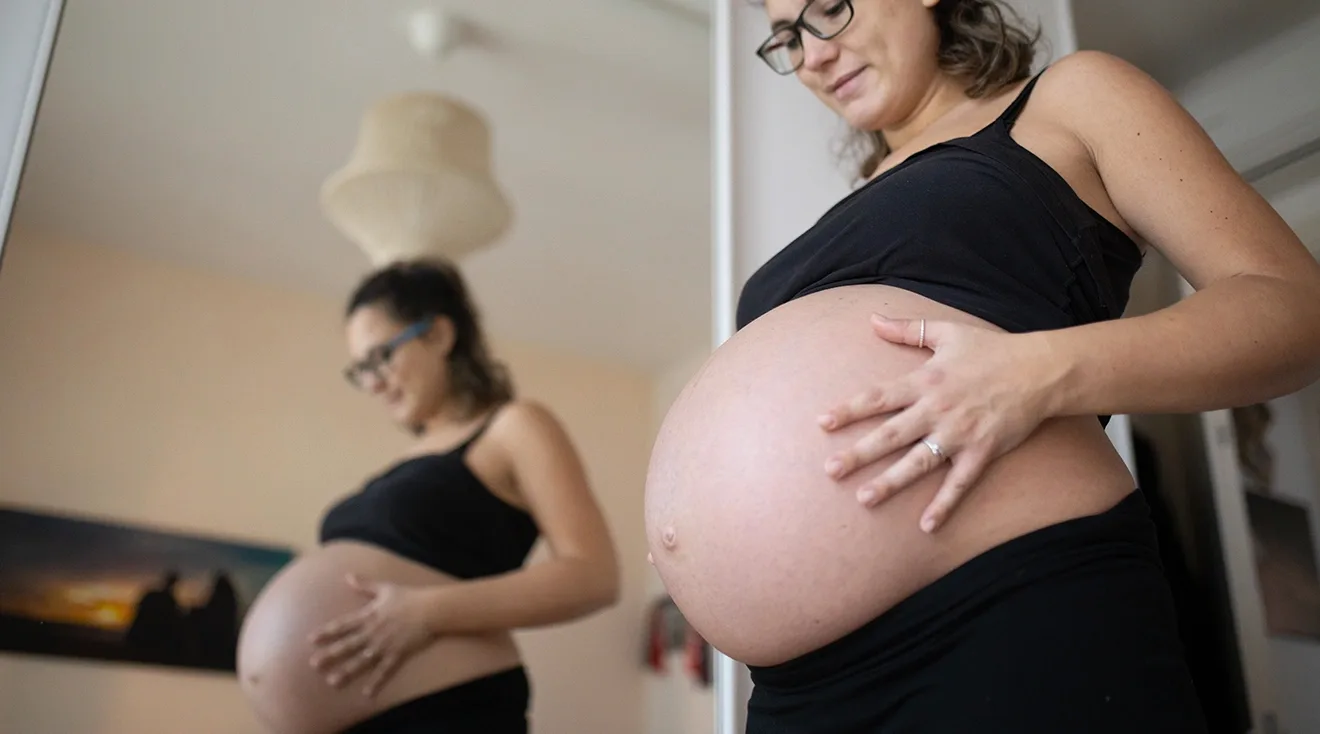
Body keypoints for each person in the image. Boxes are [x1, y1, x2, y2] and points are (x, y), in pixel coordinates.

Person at [642, 1, 1320, 732]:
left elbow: (1291, 307)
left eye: (829, 9)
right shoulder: (850, 208)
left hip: (1002, 608)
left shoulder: (1069, 100)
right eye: (786, 38)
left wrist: (1033, 371)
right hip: (799, 688)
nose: (812, 56)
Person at [236, 258, 620, 734]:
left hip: (447, 711)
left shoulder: (514, 426)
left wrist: (425, 612)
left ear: (438, 334)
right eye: (360, 370)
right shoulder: (401, 467)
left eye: (381, 357)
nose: (373, 383)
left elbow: (594, 576)